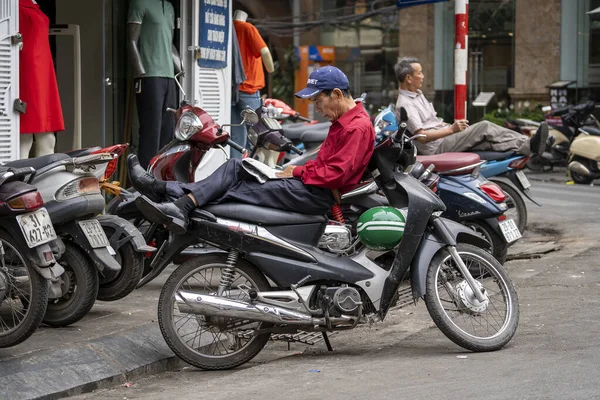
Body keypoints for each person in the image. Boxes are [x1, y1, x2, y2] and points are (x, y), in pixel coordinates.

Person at [130, 66, 376, 234]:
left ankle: (168, 194)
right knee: (238, 166)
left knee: (237, 182)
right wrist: (296, 170)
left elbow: (336, 174)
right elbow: (328, 166)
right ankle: (173, 198)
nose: (317, 108)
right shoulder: (343, 122)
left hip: (316, 194)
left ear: (335, 94)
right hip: (312, 187)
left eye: (317, 100)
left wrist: (298, 172)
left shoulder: (356, 127)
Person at [394, 57, 548, 156]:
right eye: (419, 73)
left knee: (486, 143)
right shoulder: (405, 104)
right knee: (484, 127)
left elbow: (432, 123)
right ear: (408, 78)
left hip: (444, 138)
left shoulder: (418, 94)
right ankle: (530, 142)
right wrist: (451, 130)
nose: (422, 77)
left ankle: (530, 146)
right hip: (436, 147)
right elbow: (421, 137)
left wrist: (449, 128)